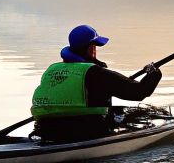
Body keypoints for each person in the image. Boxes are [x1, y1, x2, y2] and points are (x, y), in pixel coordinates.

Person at [30, 24, 162, 142]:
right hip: (85, 133)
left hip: (47, 130)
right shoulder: (96, 74)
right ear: (90, 49)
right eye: (95, 46)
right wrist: (154, 73)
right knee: (130, 115)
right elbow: (139, 91)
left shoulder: (52, 69)